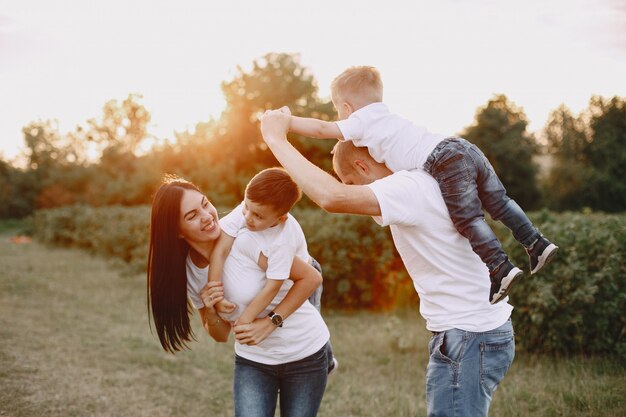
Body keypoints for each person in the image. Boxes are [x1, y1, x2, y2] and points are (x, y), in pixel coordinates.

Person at [259, 109, 516, 417]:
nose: (356, 192)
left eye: (352, 182)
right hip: (478, 332)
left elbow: (332, 198)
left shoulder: (407, 188)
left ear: (362, 165)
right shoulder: (425, 178)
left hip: (469, 336)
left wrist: (276, 139)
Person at [286, 66, 558, 304]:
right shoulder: (385, 114)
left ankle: (500, 268)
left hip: (443, 161)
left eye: (338, 110)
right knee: (499, 202)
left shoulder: (358, 120)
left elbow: (323, 131)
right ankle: (536, 243)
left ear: (346, 108)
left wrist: (286, 123)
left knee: (467, 218)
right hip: (461, 146)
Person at [146, 176, 333, 417]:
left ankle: (326, 354)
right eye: (191, 216)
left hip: (304, 352)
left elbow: (311, 277)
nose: (206, 216)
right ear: (177, 232)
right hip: (253, 361)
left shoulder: (247, 235)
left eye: (204, 204)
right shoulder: (189, 272)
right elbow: (221, 334)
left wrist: (269, 323)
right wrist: (211, 309)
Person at [208, 168, 324, 323]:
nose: (248, 217)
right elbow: (221, 250)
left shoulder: (283, 241)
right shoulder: (251, 208)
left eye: (258, 216)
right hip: (275, 263)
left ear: (281, 219)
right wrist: (217, 297)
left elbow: (273, 286)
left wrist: (245, 319)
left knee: (303, 321)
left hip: (302, 272)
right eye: (247, 207)